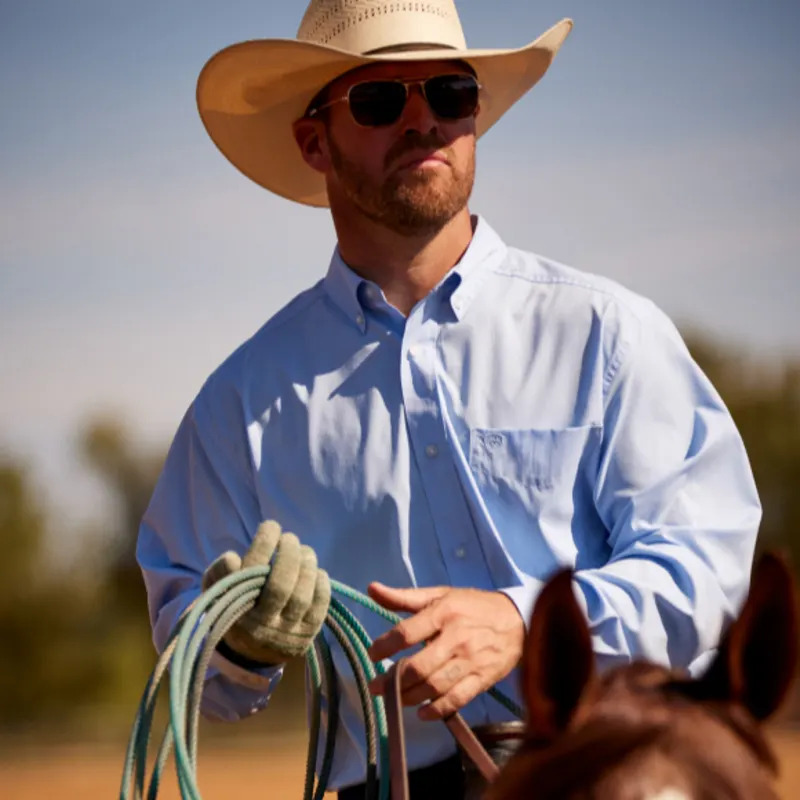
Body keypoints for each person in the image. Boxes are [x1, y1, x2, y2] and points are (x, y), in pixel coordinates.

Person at [137, 1, 761, 797]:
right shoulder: (241, 404)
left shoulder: (608, 334)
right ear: (313, 142)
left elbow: (708, 568)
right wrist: (243, 645)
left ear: (474, 118)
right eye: (378, 100)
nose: (422, 120)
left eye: (450, 93)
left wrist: (526, 623)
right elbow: (190, 657)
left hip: (612, 774)